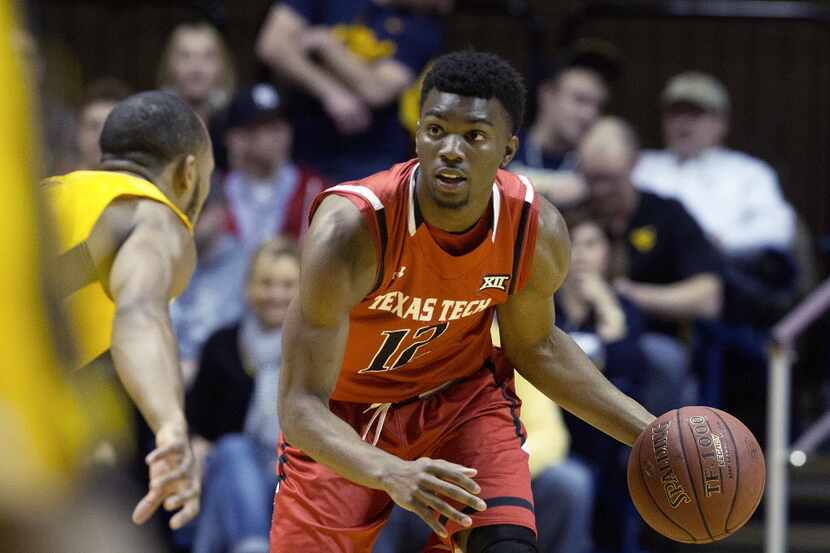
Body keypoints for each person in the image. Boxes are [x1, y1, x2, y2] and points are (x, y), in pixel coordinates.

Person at [270, 50, 655, 553]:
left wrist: (651, 435)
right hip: (344, 418)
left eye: (474, 136)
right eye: (436, 130)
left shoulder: (535, 233)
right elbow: (299, 405)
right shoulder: (351, 231)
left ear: (507, 150)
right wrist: (391, 472)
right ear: (417, 136)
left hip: (460, 403)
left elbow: (536, 347)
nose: (451, 150)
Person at [42, 90, 214, 532]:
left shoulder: (49, 195)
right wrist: (171, 425)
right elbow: (140, 314)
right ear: (188, 173)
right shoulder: (151, 215)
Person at [578, 117, 722, 415]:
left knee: (663, 359)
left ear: (634, 163)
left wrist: (626, 295)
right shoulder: (572, 213)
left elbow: (708, 297)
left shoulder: (667, 214)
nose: (601, 190)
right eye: (593, 179)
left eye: (610, 179)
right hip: (575, 330)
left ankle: (653, 454)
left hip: (649, 336)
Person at [632, 71, 798, 326]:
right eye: (676, 113)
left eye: (695, 114)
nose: (683, 123)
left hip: (720, 289)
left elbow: (779, 228)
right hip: (646, 282)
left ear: (721, 122)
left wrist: (721, 240)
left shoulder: (748, 172)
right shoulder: (643, 166)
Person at [186, 238, 299, 553]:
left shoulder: (320, 350)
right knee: (234, 453)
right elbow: (195, 424)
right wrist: (197, 447)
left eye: (288, 284)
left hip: (298, 475)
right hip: (233, 470)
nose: (276, 295)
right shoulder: (220, 344)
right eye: (266, 283)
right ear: (249, 287)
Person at [256, 0, 447, 182]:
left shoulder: (424, 25)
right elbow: (272, 46)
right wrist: (330, 93)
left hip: (370, 157)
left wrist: (326, 44)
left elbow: (377, 89)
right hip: (303, 146)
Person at [510, 41, 621, 207]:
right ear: (547, 95)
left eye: (598, 105)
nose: (589, 114)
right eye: (580, 100)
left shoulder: (595, 164)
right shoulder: (504, 147)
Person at [222, 83, 327, 250]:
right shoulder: (216, 191)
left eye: (279, 125)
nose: (275, 136)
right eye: (260, 127)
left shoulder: (314, 189)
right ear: (237, 136)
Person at [170, 183, 248, 383]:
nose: (189, 219)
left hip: (222, 383)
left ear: (222, 211)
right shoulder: (162, 261)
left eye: (199, 210)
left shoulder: (248, 268)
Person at [157, 21, 236, 124]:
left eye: (208, 56)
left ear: (221, 65)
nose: (196, 67)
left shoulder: (235, 124)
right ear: (170, 64)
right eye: (185, 56)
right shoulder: (155, 122)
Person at [74, 78, 132, 170]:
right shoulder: (57, 183)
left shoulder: (142, 184)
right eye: (93, 126)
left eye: (111, 126)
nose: (101, 137)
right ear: (78, 132)